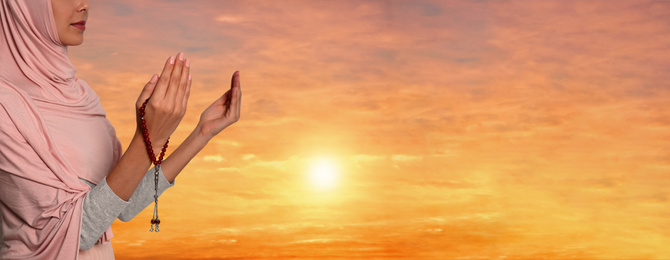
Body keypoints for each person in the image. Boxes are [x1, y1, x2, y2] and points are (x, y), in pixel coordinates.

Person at [0, 0, 242, 258]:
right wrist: (149, 137)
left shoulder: (82, 95)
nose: (84, 5)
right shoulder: (6, 107)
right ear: (23, 7)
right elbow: (76, 232)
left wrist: (202, 133)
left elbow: (120, 203)